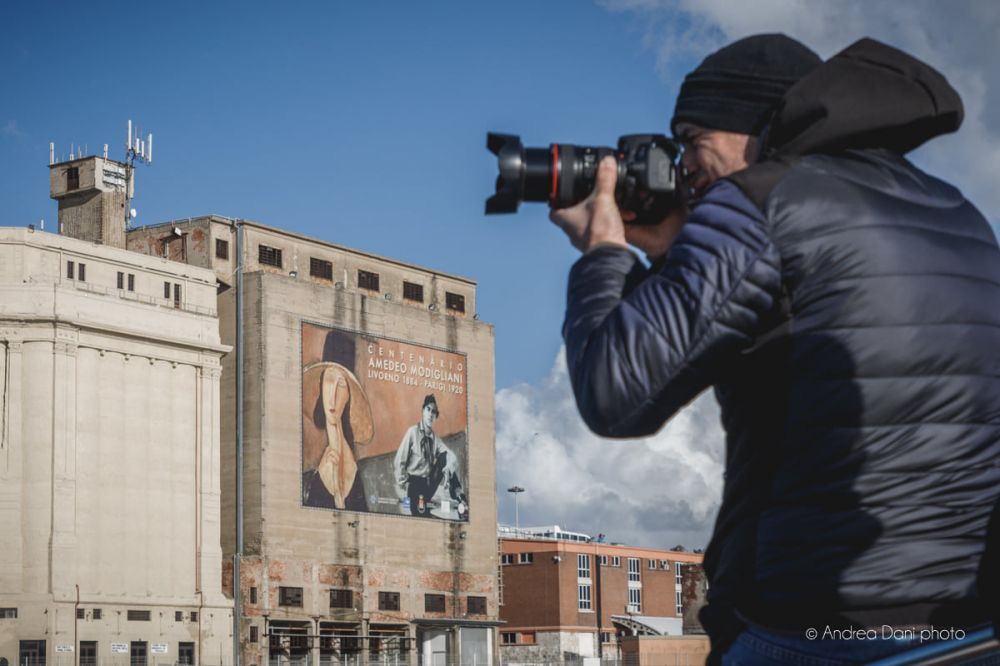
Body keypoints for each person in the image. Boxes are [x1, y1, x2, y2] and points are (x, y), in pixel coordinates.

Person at [551, 35, 1000, 664]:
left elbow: (617, 394)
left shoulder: (761, 200)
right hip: (966, 628)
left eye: (690, 139)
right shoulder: (961, 214)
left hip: (813, 627)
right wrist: (671, 252)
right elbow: (793, 325)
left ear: (753, 126)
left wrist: (603, 252)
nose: (683, 168)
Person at [301, 362, 373, 511]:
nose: (332, 395)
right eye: (328, 380)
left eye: (340, 384)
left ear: (348, 395)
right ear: (321, 387)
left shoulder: (353, 468)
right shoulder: (319, 471)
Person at [394, 394, 467, 518]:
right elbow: (399, 460)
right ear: (423, 411)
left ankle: (461, 498)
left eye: (434, 412)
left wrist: (448, 468)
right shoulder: (412, 432)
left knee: (446, 457)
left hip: (428, 483)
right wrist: (403, 483)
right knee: (420, 513)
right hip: (414, 483)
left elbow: (451, 455)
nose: (431, 414)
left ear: (435, 417)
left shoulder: (434, 438)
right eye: (428, 409)